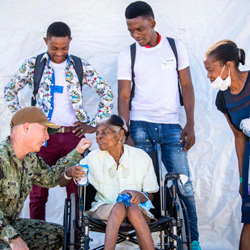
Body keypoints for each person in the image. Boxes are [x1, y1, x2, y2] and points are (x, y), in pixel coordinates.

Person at [4, 21, 114, 221]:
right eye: (54, 47)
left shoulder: (80, 65)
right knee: (37, 193)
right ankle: (38, 237)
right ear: (46, 41)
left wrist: (94, 124)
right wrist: (24, 118)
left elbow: (106, 93)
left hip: (74, 136)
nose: (59, 52)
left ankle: (76, 240)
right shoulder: (33, 65)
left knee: (76, 191)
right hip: (43, 138)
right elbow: (9, 91)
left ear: (70, 42)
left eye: (64, 47)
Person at [117, 1, 200, 249]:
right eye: (131, 30)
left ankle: (193, 241)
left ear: (152, 23)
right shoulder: (127, 54)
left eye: (140, 29)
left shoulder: (175, 47)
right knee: (148, 188)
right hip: (140, 125)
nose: (136, 35)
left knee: (183, 185)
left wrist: (191, 123)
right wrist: (126, 130)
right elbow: (123, 96)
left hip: (171, 125)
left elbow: (186, 86)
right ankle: (154, 240)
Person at [60, 115, 159, 250]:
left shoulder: (141, 157)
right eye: (97, 133)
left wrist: (138, 195)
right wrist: (69, 173)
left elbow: (150, 195)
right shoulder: (93, 158)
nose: (98, 137)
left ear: (120, 134)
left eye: (104, 132)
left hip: (137, 210)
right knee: (119, 207)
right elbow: (61, 182)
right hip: (104, 208)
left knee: (133, 208)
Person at [0, 106, 92, 250]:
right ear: (27, 127)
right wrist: (12, 237)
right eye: (44, 130)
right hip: (4, 229)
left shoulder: (31, 159)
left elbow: (50, 178)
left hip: (10, 225)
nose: (48, 136)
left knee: (57, 235)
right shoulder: (1, 158)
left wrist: (77, 151)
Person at [204, 39, 249, 250]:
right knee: (248, 218)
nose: (209, 76)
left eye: (211, 70)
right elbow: (239, 137)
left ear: (228, 65)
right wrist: (242, 178)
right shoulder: (223, 99)